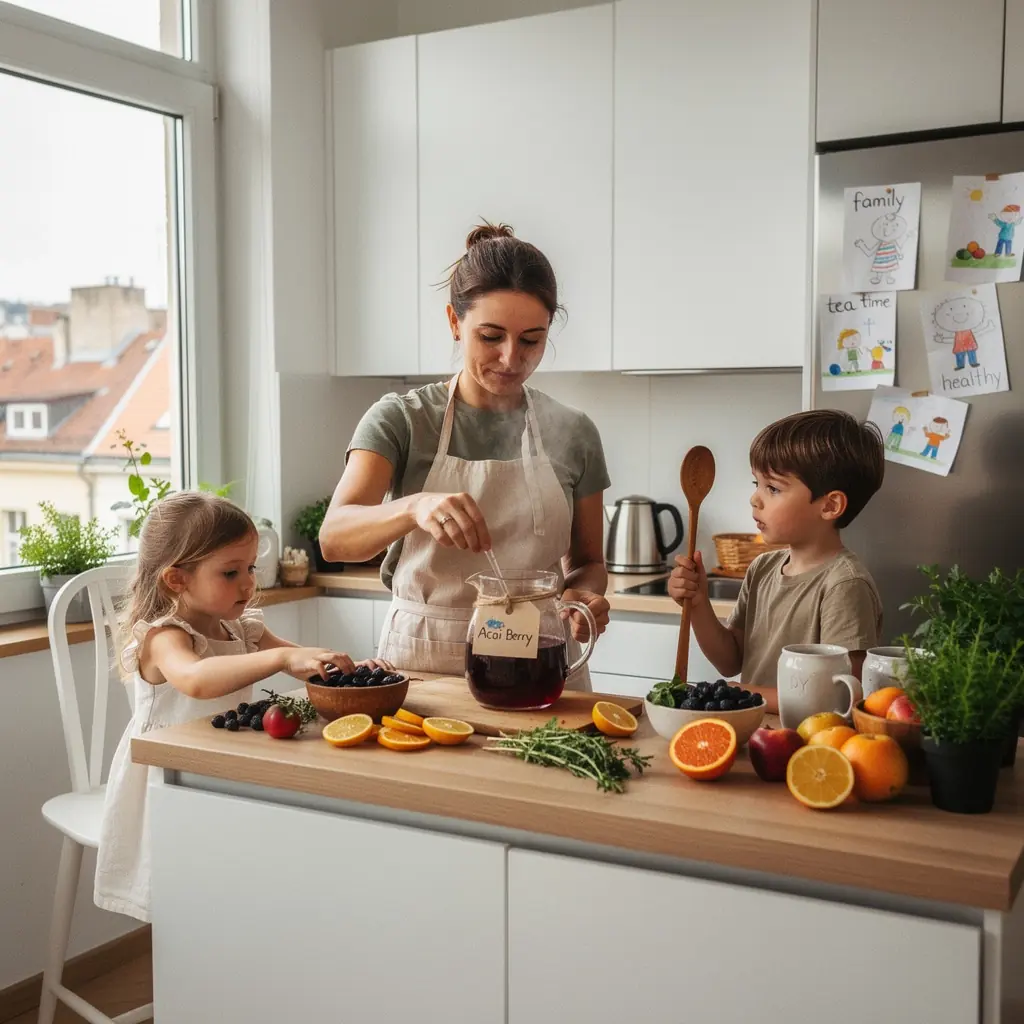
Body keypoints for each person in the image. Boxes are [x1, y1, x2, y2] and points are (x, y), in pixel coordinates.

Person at [319, 222, 611, 680]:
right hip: (425, 662)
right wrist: (415, 507)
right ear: (456, 323)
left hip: (541, 659)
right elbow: (334, 537)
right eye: (491, 336)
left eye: (532, 340)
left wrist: (580, 599)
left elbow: (589, 563)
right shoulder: (402, 419)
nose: (512, 359)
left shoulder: (574, 432)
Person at [94, 492, 388, 922]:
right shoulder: (164, 637)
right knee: (185, 892)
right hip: (168, 782)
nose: (248, 583)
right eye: (230, 572)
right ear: (177, 579)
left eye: (250, 567)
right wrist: (279, 659)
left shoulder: (240, 626)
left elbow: (301, 662)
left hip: (221, 769)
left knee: (226, 883)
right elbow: (197, 679)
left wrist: (351, 668)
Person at [667, 410, 884, 712]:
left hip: (806, 746)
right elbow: (730, 661)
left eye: (773, 488)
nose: (755, 499)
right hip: (755, 737)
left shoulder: (844, 585)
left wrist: (739, 695)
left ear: (830, 505)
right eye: (755, 483)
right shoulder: (762, 568)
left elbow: (843, 697)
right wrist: (700, 603)